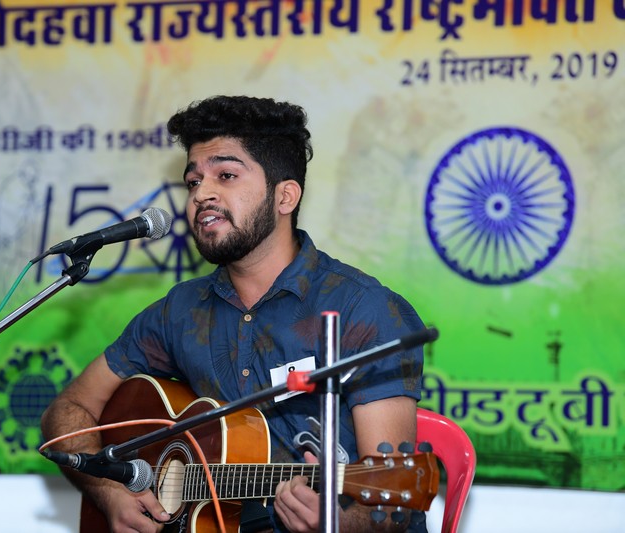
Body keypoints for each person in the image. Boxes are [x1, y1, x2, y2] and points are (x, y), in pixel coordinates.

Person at [41, 95, 427, 532]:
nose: (201, 194)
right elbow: (67, 411)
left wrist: (337, 523)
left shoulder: (365, 310)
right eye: (193, 181)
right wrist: (109, 493)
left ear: (285, 196)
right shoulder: (180, 312)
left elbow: (392, 506)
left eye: (225, 175)